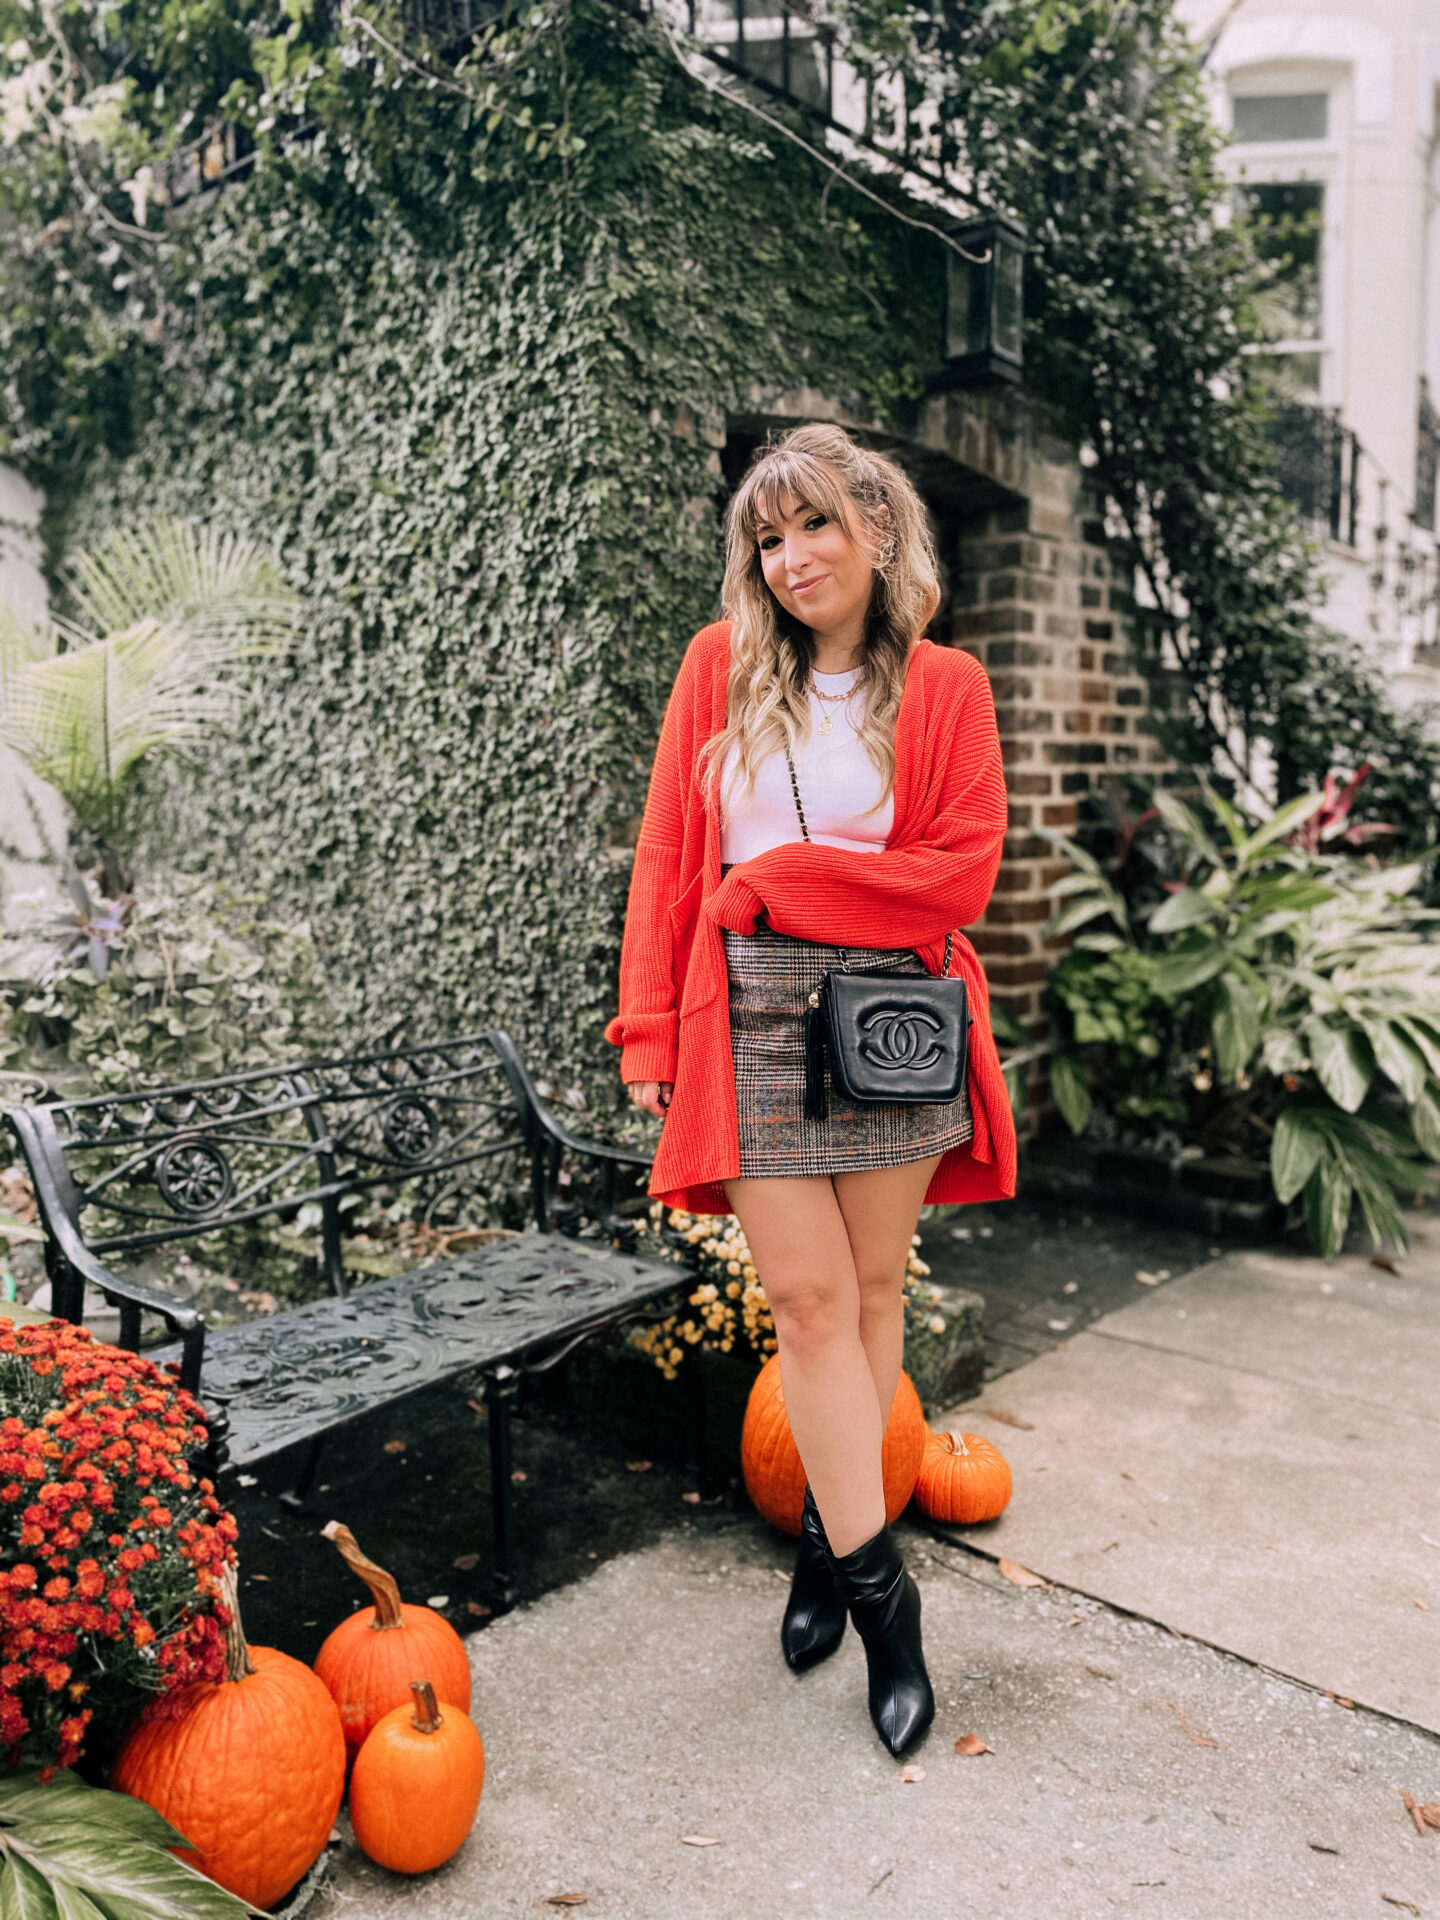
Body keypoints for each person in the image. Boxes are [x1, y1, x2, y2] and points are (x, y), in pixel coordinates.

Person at [605, 422, 1015, 1756]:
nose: (789, 558)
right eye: (766, 538)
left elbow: (957, 875)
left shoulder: (946, 687)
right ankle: (887, 1605)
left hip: (889, 1019)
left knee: (876, 1296)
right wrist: (650, 1030)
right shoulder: (717, 670)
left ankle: (830, 1544)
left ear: (879, 532)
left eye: (816, 525)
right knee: (810, 1296)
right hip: (749, 1018)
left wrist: (779, 884)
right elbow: (674, 854)